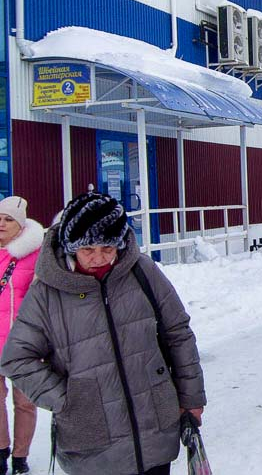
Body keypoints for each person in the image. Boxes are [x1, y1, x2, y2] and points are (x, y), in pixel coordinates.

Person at [0, 193, 206, 475]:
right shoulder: (48, 292)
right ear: (71, 247)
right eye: (88, 250)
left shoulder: (141, 271)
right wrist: (67, 399)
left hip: (154, 432)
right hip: (91, 446)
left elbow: (178, 333)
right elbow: (16, 358)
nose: (99, 258)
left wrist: (191, 399)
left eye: (108, 248)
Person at [0, 198, 44, 475]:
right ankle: (1, 451)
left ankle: (20, 455)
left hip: (23, 342)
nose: (1, 224)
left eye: (8, 220)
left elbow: (43, 299)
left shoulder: (35, 256)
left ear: (21, 225)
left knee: (25, 402)